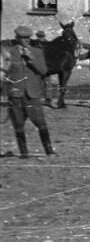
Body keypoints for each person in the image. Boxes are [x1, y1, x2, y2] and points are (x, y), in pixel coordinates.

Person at [2, 26, 57, 157]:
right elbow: (4, 72)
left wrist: (31, 58)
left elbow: (44, 71)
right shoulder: (8, 52)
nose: (26, 41)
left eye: (28, 38)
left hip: (32, 94)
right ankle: (24, 153)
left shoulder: (37, 51)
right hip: (15, 93)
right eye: (22, 38)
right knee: (18, 124)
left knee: (40, 122)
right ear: (17, 38)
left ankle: (49, 151)